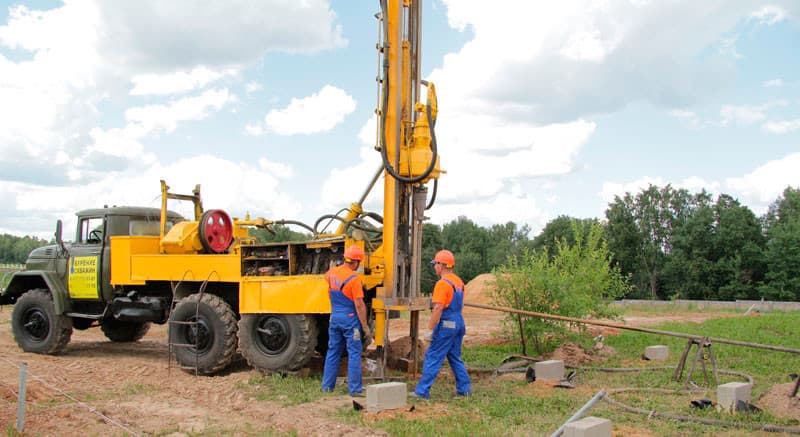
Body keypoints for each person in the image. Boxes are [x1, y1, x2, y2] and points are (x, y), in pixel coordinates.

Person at [413, 249, 471, 399]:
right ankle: (464, 389)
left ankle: (422, 391)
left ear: (441, 265)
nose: (434, 267)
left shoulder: (442, 284)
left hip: (447, 324)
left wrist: (430, 329)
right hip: (459, 322)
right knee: (455, 357)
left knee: (433, 356)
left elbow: (438, 308)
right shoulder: (459, 282)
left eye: (435, 264)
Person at [321, 245, 372, 397]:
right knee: (354, 352)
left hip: (335, 318)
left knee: (333, 351)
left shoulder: (331, 273)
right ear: (356, 262)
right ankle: (355, 389)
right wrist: (365, 326)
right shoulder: (354, 280)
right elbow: (359, 304)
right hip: (350, 320)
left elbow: (330, 290)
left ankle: (327, 386)